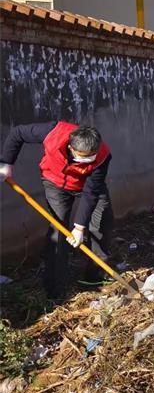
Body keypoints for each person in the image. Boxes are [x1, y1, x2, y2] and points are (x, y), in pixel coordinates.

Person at [0, 122, 113, 300]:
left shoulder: (103, 155)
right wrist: (7, 163)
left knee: (101, 224)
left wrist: (79, 227)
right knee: (58, 230)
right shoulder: (53, 133)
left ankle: (94, 277)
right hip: (55, 183)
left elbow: (90, 193)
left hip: (87, 187)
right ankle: (55, 289)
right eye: (83, 157)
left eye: (92, 156)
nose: (88, 160)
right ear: (70, 147)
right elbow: (17, 133)